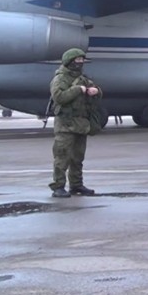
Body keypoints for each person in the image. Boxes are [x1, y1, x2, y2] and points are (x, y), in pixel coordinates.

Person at [48, 48, 103, 198]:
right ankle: (58, 187)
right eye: (77, 60)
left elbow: (97, 90)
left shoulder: (83, 78)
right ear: (69, 61)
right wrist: (78, 89)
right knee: (62, 157)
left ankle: (76, 185)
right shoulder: (60, 79)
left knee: (78, 158)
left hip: (81, 124)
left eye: (81, 60)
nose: (80, 63)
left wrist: (95, 91)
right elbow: (60, 97)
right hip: (65, 125)